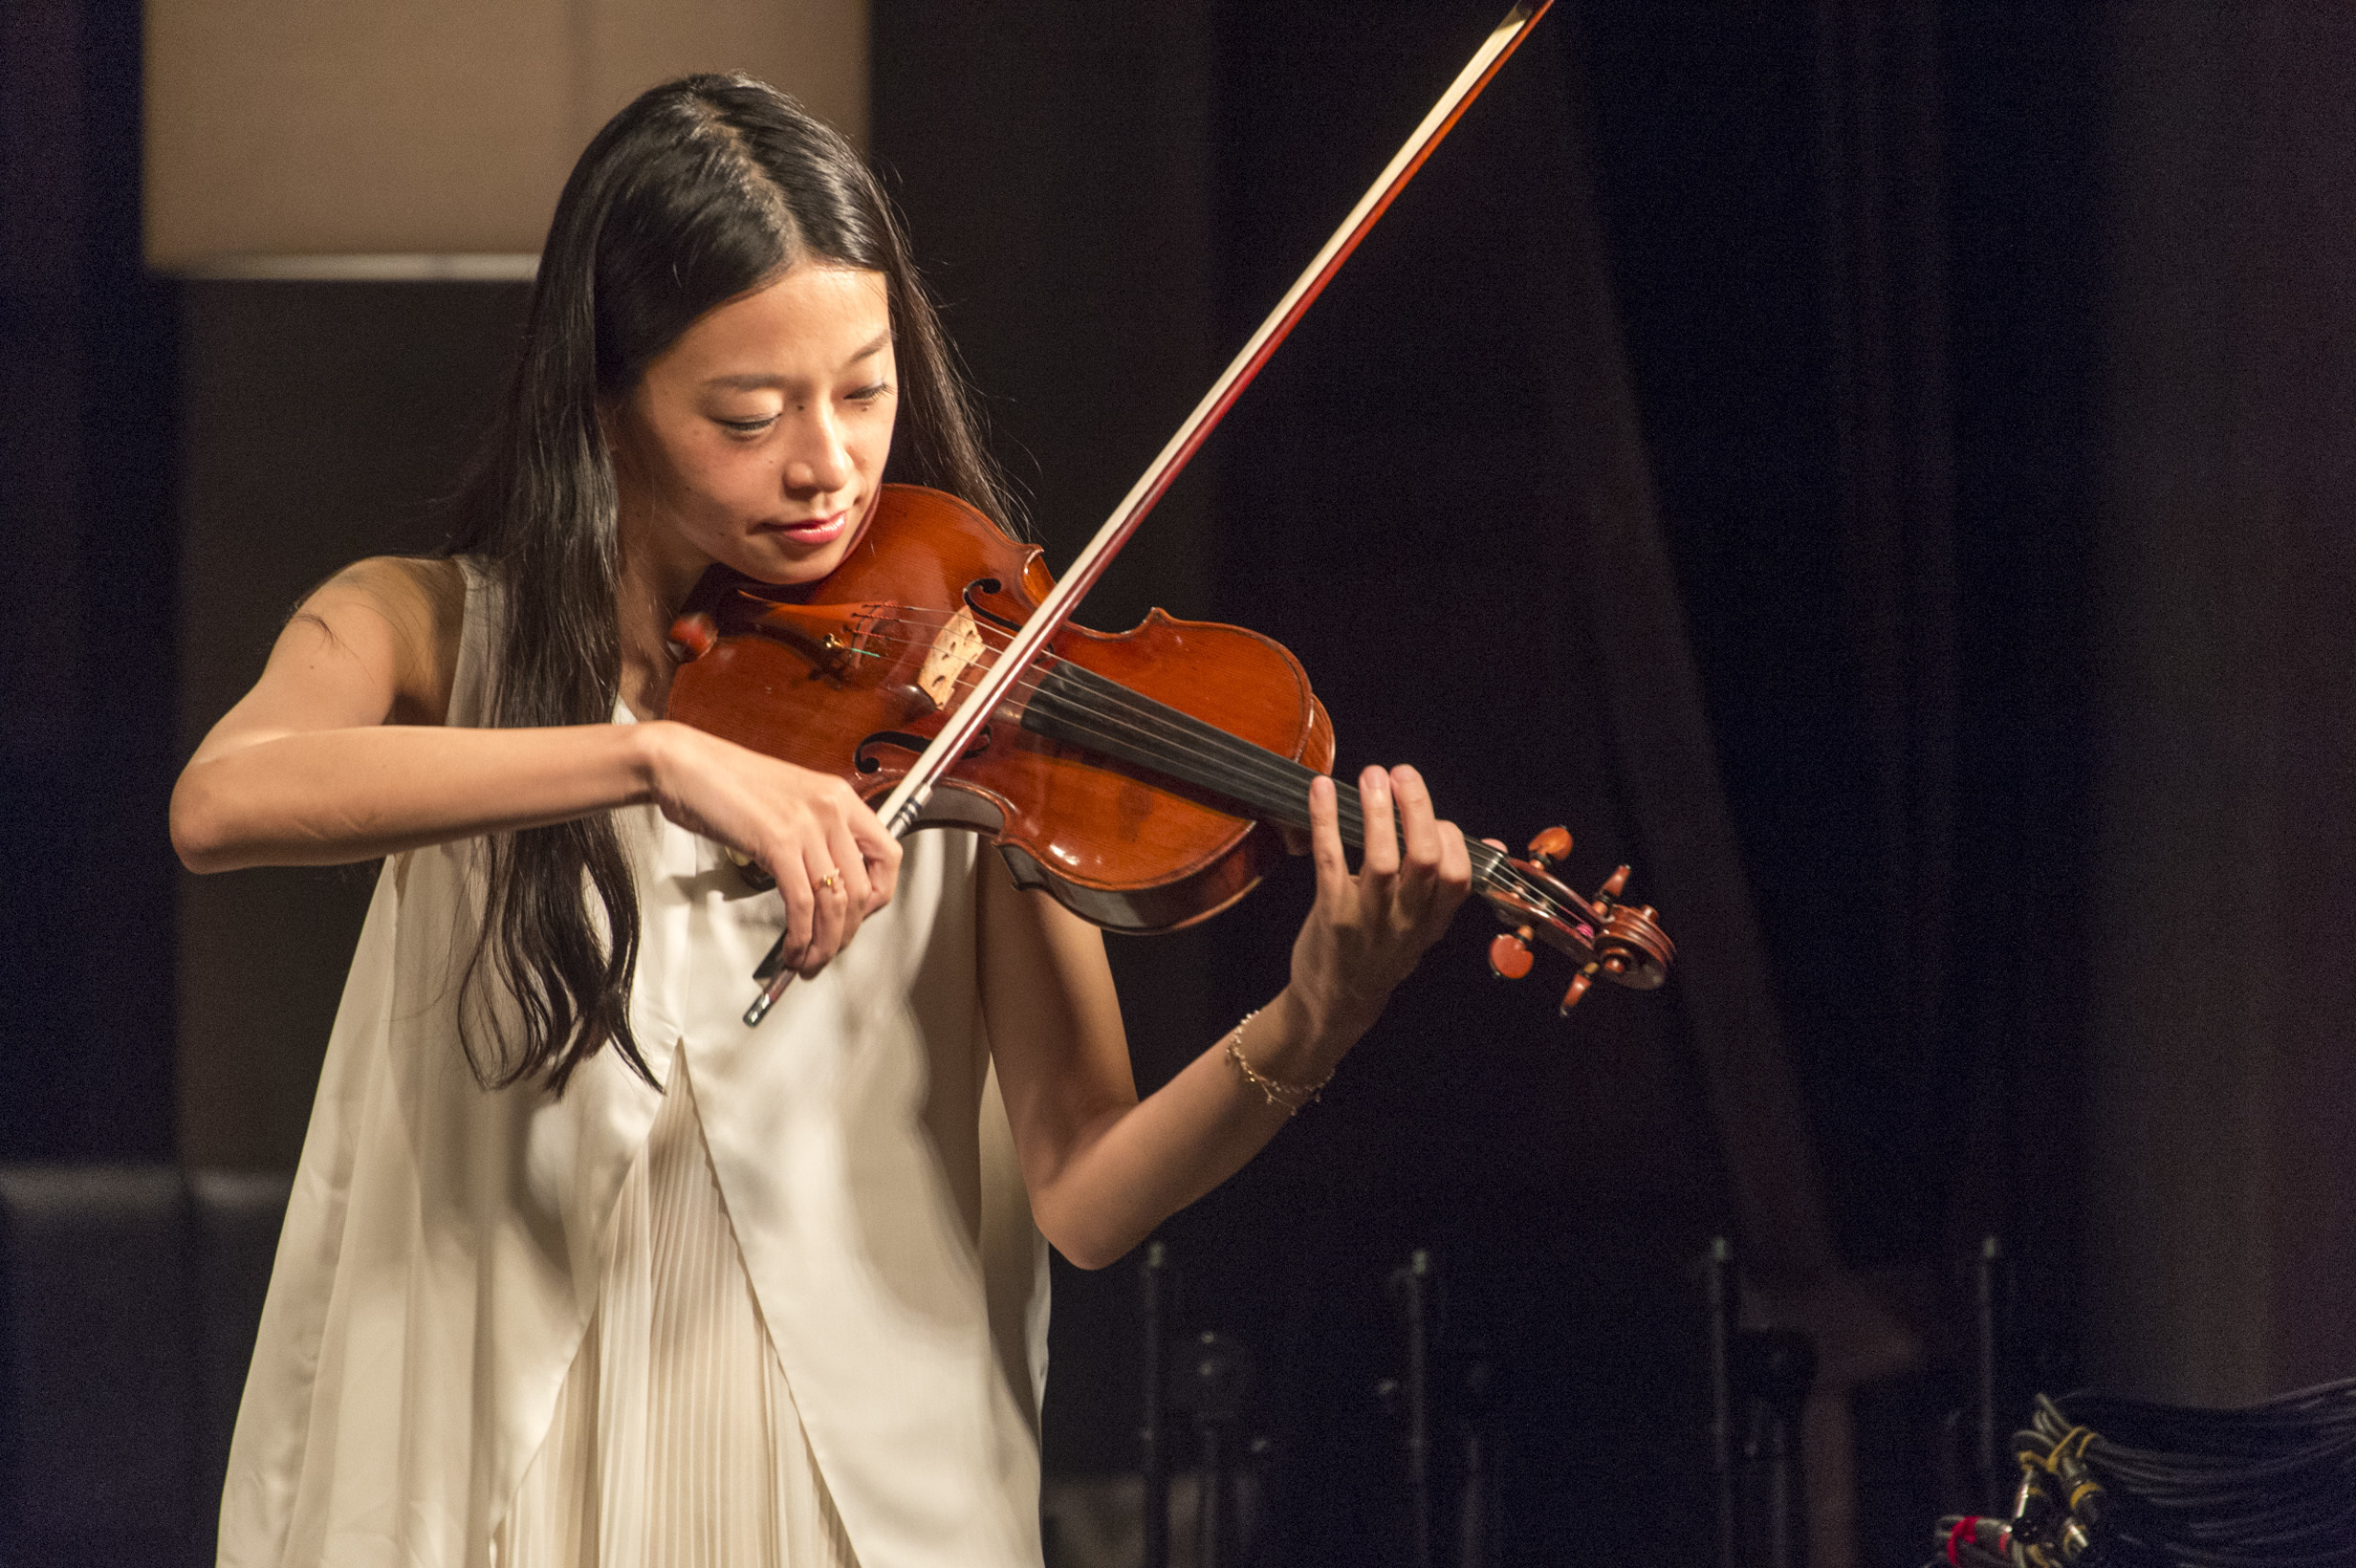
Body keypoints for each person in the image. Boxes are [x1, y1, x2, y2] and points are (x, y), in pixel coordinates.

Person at [172, 75, 1472, 1568]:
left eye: (864, 390)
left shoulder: (977, 708)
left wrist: (1318, 1017)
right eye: (748, 412)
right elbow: (224, 801)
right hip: (503, 1464)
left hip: (839, 1477)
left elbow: (1088, 1194)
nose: (828, 465)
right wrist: (649, 759)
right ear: (607, 399)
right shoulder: (428, 627)